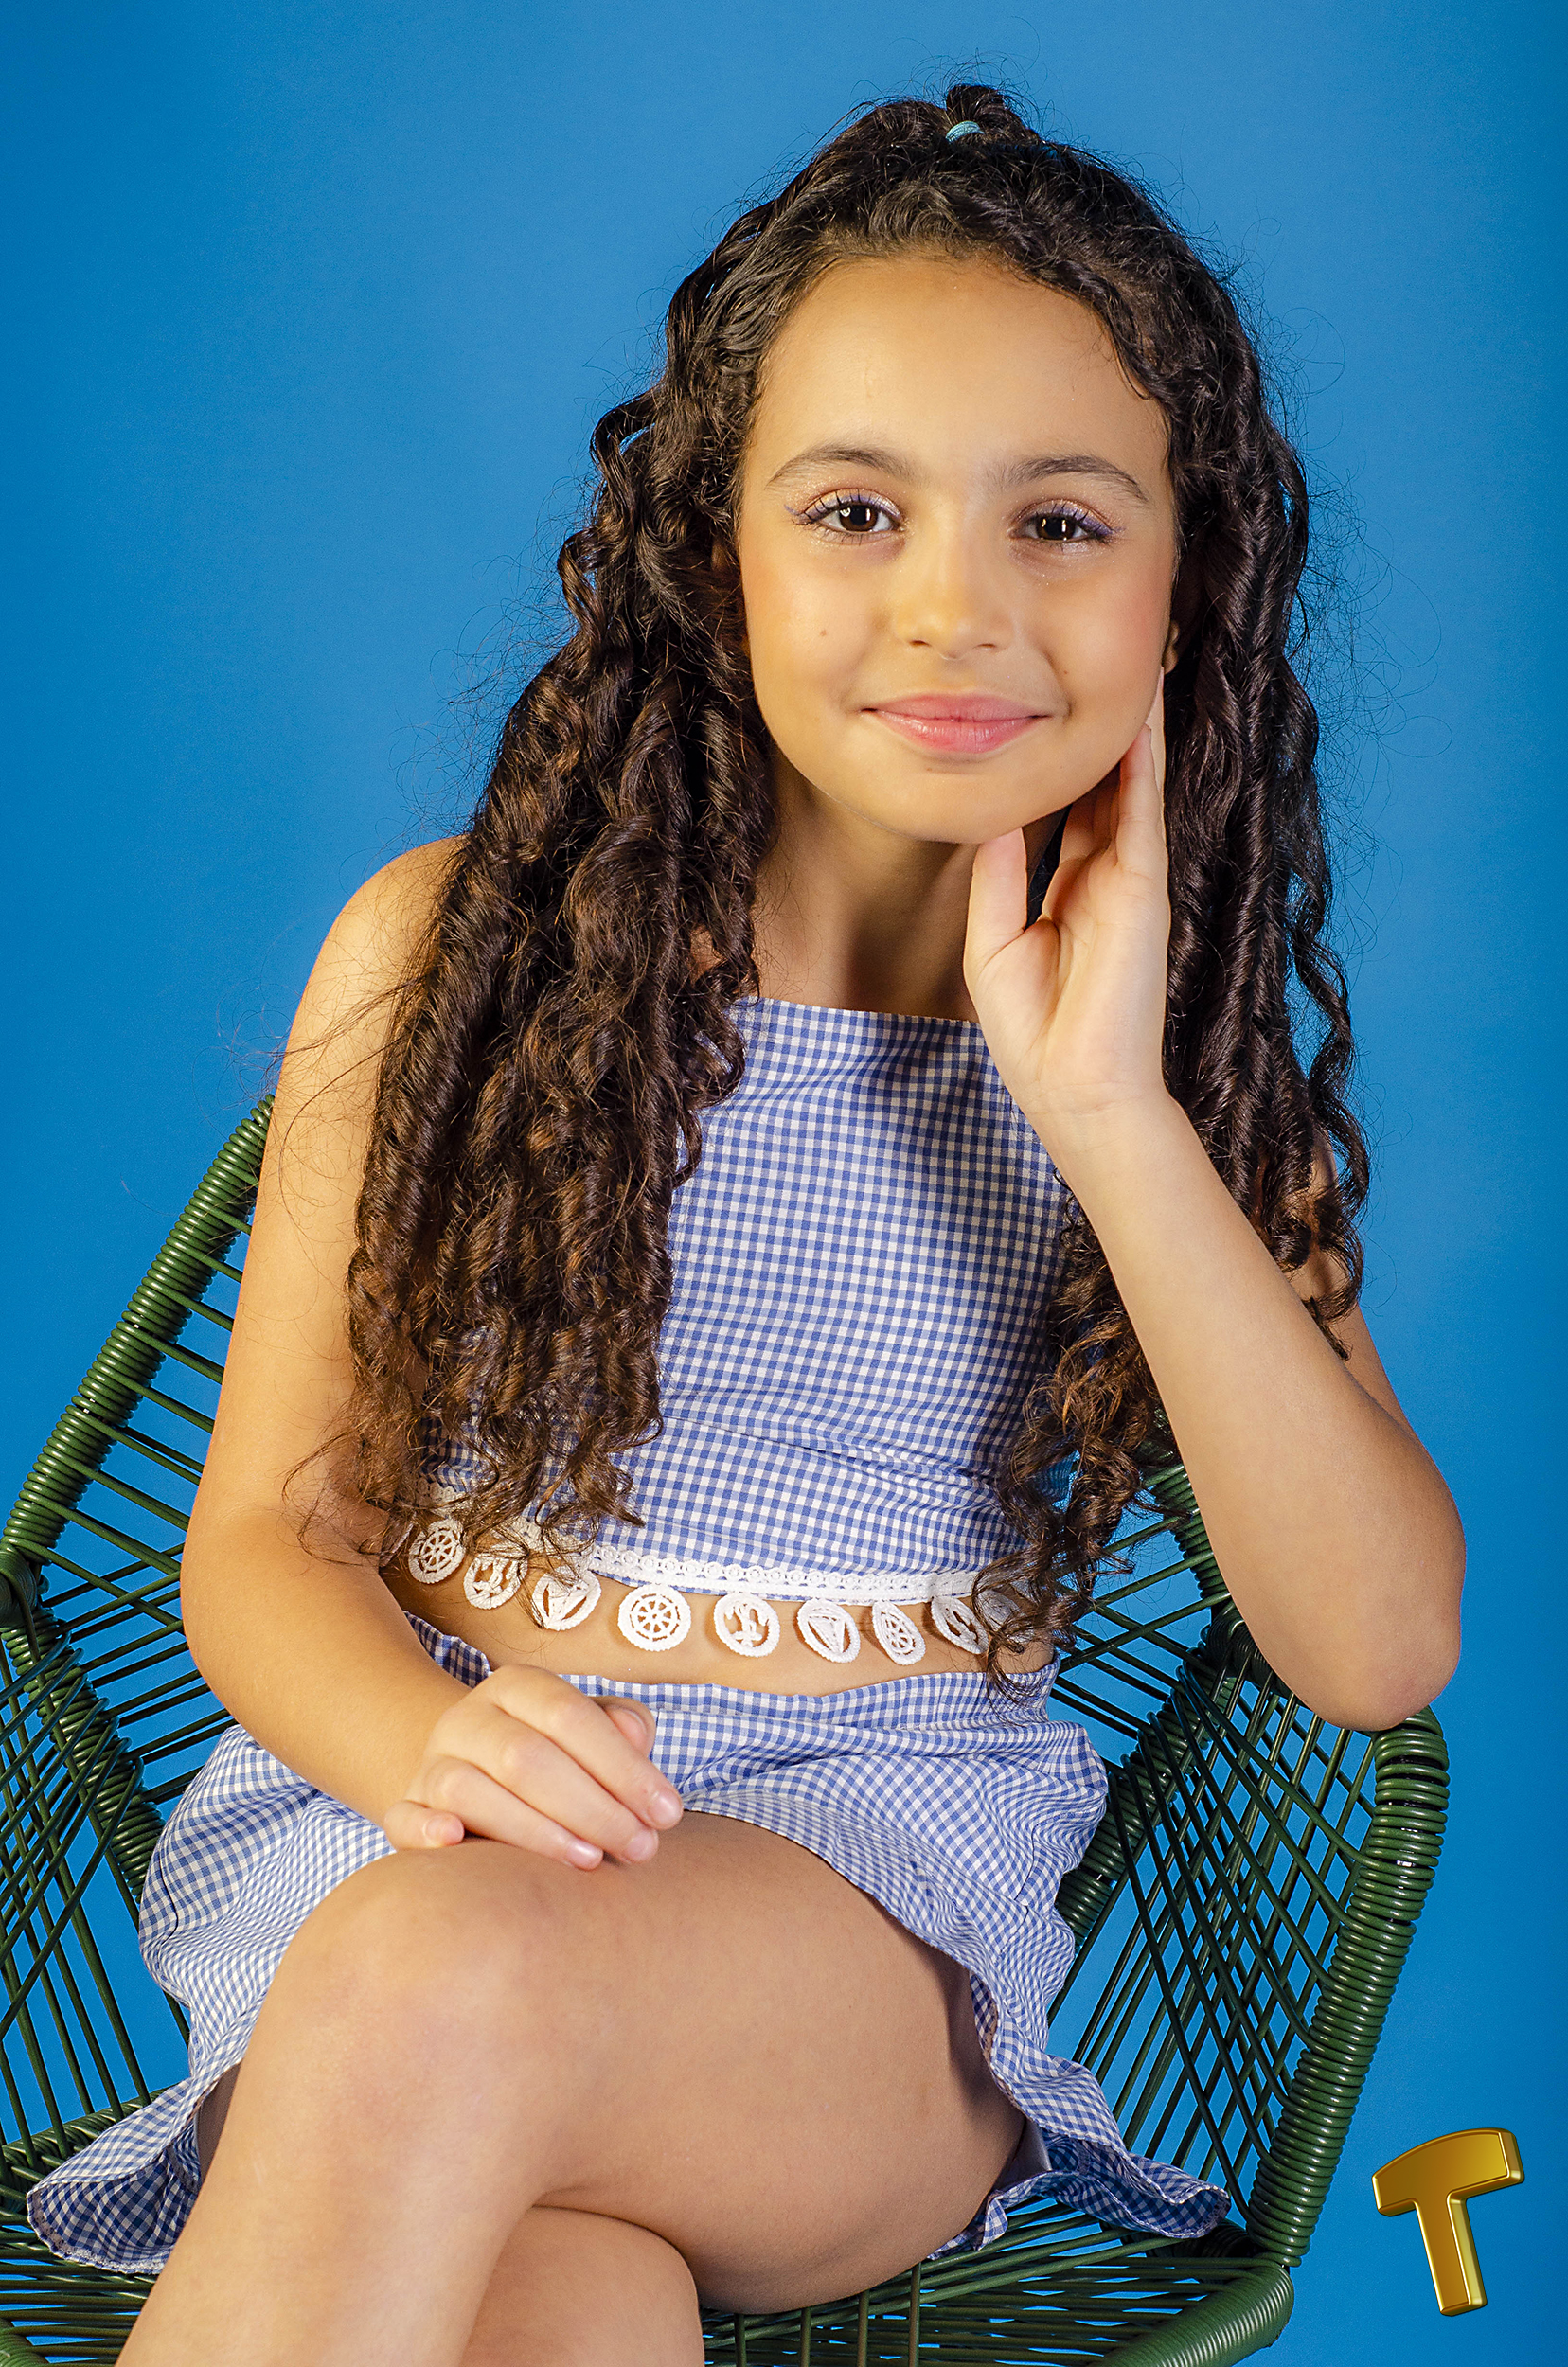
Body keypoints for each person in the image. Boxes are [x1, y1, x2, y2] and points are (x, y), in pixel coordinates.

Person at [27, 82, 1464, 2367]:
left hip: (853, 1954)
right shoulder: (457, 959)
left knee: (434, 1981)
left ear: (1188, 582)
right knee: (556, 2298)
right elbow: (269, 1539)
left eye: (1061, 521)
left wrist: (1104, 1108)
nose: (955, 605)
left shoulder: (1174, 1074)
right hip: (407, 1839)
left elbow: (1375, 1642)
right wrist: (413, 1747)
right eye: (857, 510)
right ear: (718, 556)